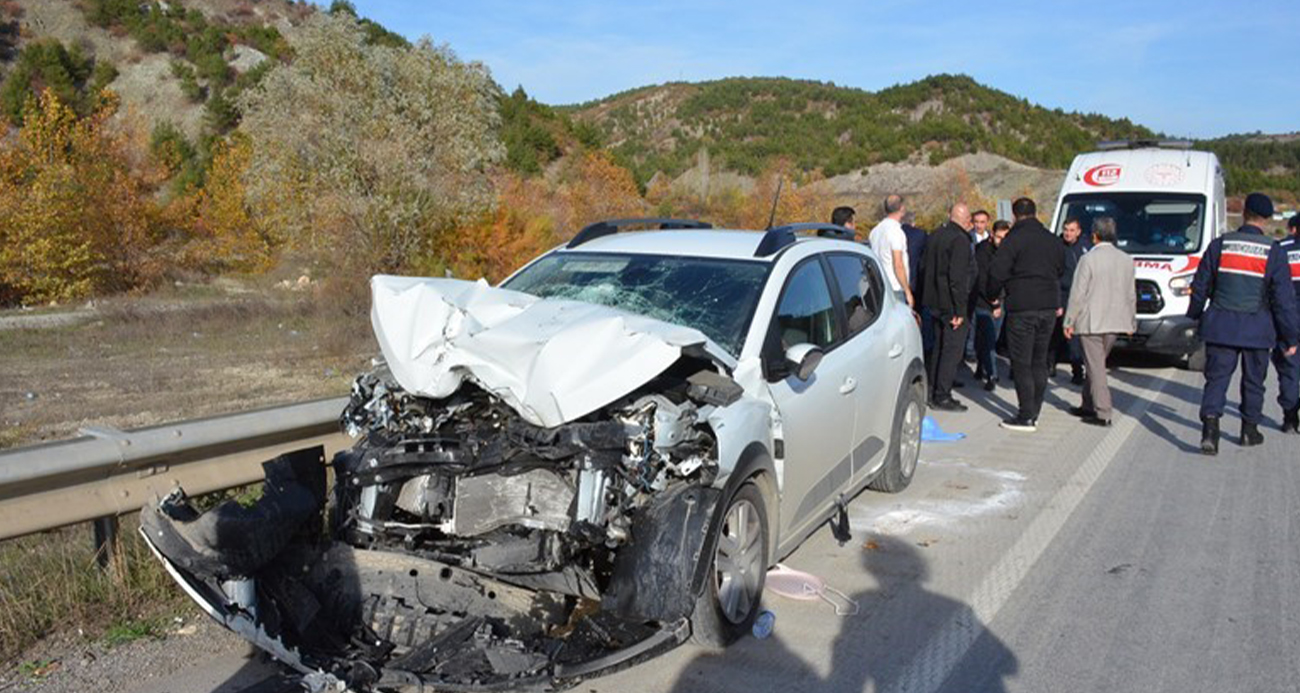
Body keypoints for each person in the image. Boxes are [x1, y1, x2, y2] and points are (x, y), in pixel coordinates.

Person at [1187, 192, 1298, 454]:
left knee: (1216, 379)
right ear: (1268, 219)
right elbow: (1283, 301)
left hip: (1221, 326)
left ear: (1245, 212)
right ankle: (1249, 430)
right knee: (1253, 382)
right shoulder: (1274, 251)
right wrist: (1290, 337)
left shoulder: (1219, 245)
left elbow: (1200, 286)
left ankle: (1210, 431)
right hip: (1257, 330)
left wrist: (1193, 316)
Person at [986, 197, 1065, 432]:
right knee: (1039, 360)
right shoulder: (1052, 240)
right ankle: (1035, 410)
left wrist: (993, 295)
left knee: (1022, 362)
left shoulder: (1014, 240)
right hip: (1048, 306)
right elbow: (1061, 268)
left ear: (1014, 215)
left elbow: (997, 271)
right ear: (1035, 212)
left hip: (1023, 306)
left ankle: (1026, 415)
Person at [1062, 217, 1136, 427]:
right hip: (1115, 322)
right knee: (1095, 364)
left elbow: (1077, 294)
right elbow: (1131, 295)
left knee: (1096, 368)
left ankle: (1103, 412)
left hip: (1092, 322)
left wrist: (1069, 321)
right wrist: (1131, 322)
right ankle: (1087, 404)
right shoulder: (1126, 260)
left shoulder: (1088, 260)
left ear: (1094, 236)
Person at [922, 203, 975, 410]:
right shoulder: (960, 240)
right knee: (951, 351)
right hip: (950, 305)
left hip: (934, 301)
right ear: (966, 219)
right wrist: (959, 311)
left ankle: (934, 390)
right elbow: (957, 278)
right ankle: (943, 395)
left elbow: (924, 266)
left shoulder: (935, 235)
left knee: (938, 348)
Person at [972, 219, 1010, 390]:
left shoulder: (1007, 252)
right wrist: (993, 303)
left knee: (991, 339)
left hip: (1000, 301)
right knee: (988, 340)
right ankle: (992, 375)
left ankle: (983, 366)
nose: (1002, 241)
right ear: (992, 234)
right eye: (999, 237)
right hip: (984, 302)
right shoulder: (983, 252)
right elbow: (982, 280)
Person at [1053, 217, 1091, 384]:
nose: (1068, 233)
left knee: (1076, 335)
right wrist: (1057, 302)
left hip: (1083, 295)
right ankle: (1057, 366)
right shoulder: (1057, 246)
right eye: (1066, 229)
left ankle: (1078, 368)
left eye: (1071, 230)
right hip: (1064, 294)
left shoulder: (1086, 247)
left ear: (1079, 231)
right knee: (1062, 334)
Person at [1274, 214, 1300, 433]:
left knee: (1289, 369)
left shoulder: (1281, 249)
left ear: (1293, 229)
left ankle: (1290, 418)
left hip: (1287, 318)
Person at [869, 194, 914, 308]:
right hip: (895, 287)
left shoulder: (875, 231)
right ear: (902, 208)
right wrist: (907, 291)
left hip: (879, 286)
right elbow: (898, 264)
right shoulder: (896, 231)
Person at [902, 211, 933, 356]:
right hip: (917, 283)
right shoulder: (921, 235)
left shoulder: (892, 234)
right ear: (913, 222)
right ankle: (924, 348)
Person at [964, 210, 992, 363]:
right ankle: (969, 349)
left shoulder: (991, 238)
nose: (979, 225)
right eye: (977, 222)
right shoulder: (968, 238)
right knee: (972, 319)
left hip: (986, 283)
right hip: (972, 282)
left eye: (982, 222)